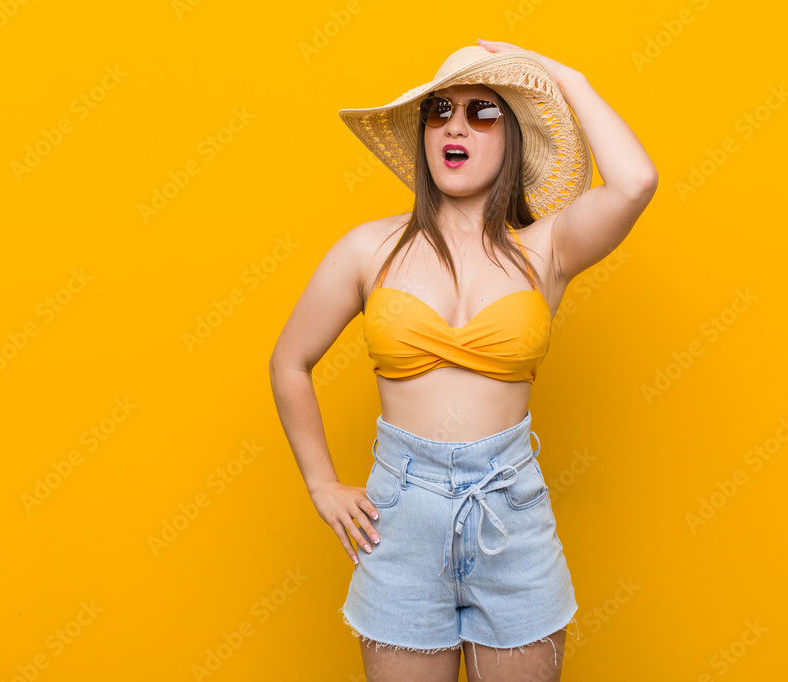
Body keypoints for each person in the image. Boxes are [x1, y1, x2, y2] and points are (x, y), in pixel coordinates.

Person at [269, 39, 657, 681]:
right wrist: (321, 483)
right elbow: (290, 361)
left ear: (514, 139)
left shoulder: (547, 250)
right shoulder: (369, 249)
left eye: (484, 112)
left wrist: (561, 77)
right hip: (398, 519)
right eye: (440, 109)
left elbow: (636, 180)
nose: (455, 124)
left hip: (511, 511)